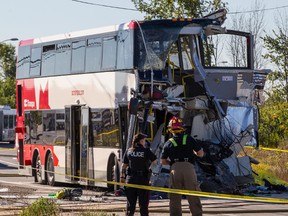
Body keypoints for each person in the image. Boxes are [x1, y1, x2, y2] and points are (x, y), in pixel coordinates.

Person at [161, 116, 204, 216]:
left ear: (170, 130)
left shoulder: (168, 143)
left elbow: (163, 161)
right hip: (188, 167)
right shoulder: (189, 139)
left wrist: (172, 163)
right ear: (182, 129)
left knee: (175, 196)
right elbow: (201, 153)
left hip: (174, 169)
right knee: (193, 193)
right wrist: (194, 153)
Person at [121, 133, 157, 216]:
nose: (145, 142)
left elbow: (124, 165)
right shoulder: (146, 151)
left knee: (130, 205)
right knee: (143, 206)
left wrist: (122, 177)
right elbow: (154, 162)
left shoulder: (129, 151)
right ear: (141, 141)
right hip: (143, 180)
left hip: (130, 180)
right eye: (144, 140)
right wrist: (149, 169)